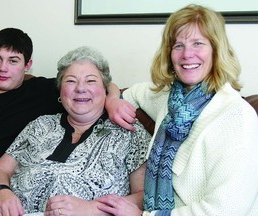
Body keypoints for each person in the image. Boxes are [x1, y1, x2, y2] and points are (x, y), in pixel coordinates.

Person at [99, 4, 258, 216]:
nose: (187, 54)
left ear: (216, 51)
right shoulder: (169, 99)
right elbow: (127, 92)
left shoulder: (236, 116)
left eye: (198, 44)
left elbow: (228, 210)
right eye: (178, 46)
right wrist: (112, 99)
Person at [0, 46, 151, 216]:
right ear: (60, 90)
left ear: (105, 89)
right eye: (71, 81)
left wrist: (92, 208)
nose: (80, 88)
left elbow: (145, 195)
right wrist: (1, 191)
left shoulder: (129, 131)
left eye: (90, 80)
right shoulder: (40, 125)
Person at [0, 27, 64, 192]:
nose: (3, 68)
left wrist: (114, 100)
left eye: (13, 61)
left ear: (27, 65)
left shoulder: (42, 91)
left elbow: (98, 85)